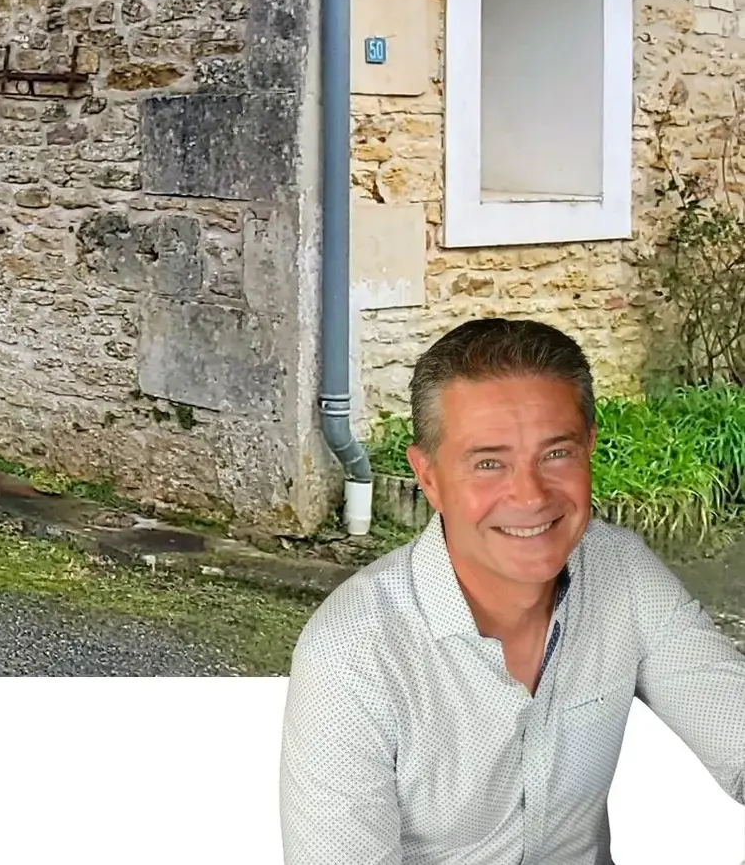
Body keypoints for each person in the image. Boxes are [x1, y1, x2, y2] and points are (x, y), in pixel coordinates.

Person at [280, 317, 745, 864]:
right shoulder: (351, 654)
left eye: (556, 454)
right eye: (489, 463)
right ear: (428, 477)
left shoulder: (621, 572)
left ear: (589, 447)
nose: (530, 496)